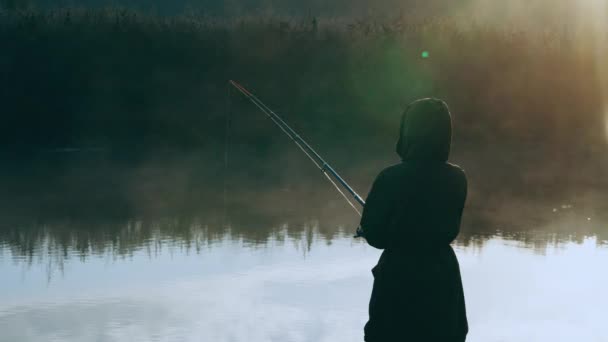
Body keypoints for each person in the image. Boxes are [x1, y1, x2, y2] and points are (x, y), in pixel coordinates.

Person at [359, 98, 468, 342]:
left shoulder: (390, 178)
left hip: (399, 280)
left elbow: (375, 235)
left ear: (408, 131)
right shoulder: (457, 178)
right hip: (443, 279)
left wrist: (366, 230)